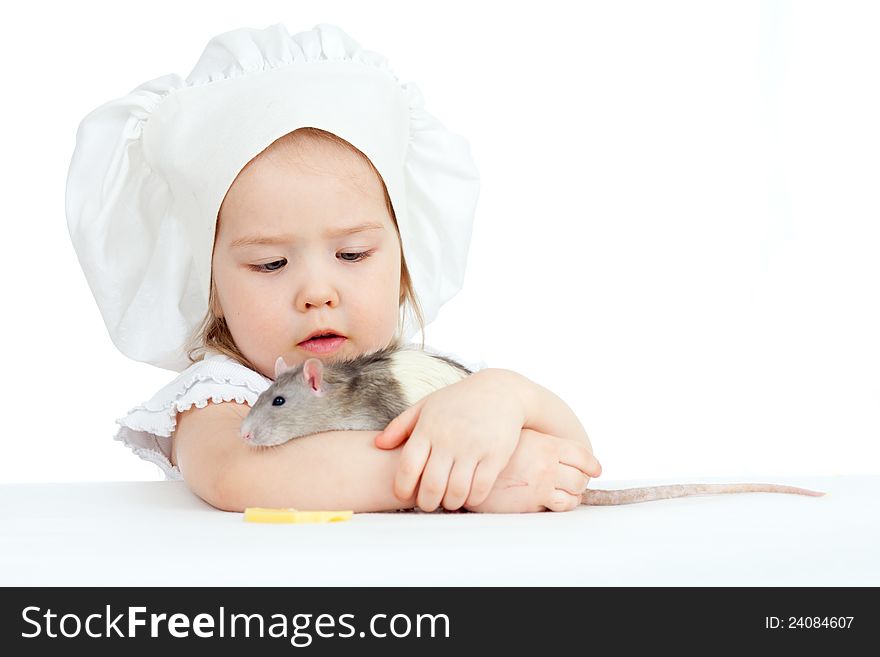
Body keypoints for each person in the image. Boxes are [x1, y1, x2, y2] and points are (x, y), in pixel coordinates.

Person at [66, 23, 601, 514]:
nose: (316, 293)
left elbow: (572, 459)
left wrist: (509, 395)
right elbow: (238, 475)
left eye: (352, 255)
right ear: (210, 287)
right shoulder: (221, 394)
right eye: (270, 262)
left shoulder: (424, 379)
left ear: (405, 259)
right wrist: (462, 476)